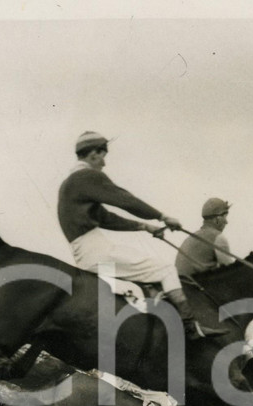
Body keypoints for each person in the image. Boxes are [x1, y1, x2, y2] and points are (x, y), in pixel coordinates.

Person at [57, 131, 224, 340]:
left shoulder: (71, 185)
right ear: (92, 154)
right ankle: (190, 328)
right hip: (99, 253)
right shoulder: (86, 176)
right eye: (102, 156)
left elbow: (106, 218)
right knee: (164, 270)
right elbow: (125, 200)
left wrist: (145, 226)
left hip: (88, 256)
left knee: (145, 279)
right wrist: (162, 217)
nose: (104, 163)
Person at [175, 198, 236, 276]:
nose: (226, 222)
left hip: (181, 284)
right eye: (225, 217)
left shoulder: (190, 237)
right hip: (197, 285)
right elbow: (230, 270)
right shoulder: (218, 237)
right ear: (217, 219)